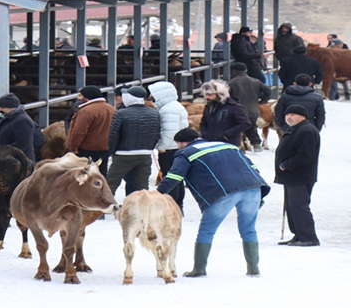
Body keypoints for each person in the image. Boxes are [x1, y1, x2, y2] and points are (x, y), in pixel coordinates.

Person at [157, 128, 270, 277]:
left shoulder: (185, 153)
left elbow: (174, 177)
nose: (178, 147)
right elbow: (253, 168)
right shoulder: (228, 146)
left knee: (207, 231)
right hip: (253, 188)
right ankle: (253, 269)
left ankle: (199, 269)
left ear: (184, 143)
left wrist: (157, 194)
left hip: (223, 193)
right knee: (248, 230)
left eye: (178, 144)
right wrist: (260, 196)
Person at [273, 104, 320, 247]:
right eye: (287, 115)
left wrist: (287, 164)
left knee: (299, 206)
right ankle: (298, 234)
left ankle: (308, 237)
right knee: (292, 207)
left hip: (299, 175)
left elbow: (305, 155)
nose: (289, 117)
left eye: (293, 114)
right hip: (291, 176)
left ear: (303, 116)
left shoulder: (306, 130)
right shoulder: (295, 129)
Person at [106, 87, 161, 195]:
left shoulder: (121, 113)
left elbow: (113, 135)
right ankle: (140, 209)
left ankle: (100, 209)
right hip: (144, 154)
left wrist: (112, 151)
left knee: (111, 183)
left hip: (123, 153)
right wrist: (149, 148)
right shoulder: (154, 113)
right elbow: (156, 133)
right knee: (141, 186)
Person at [149, 81, 190, 211]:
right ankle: (178, 205)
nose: (150, 96)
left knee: (170, 178)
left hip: (170, 149)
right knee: (177, 178)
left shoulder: (168, 109)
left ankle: (172, 206)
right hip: (175, 148)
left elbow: (170, 131)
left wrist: (161, 146)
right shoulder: (173, 106)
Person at [66, 86, 115, 176]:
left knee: (84, 176)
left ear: (88, 96)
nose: (78, 98)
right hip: (105, 150)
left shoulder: (86, 111)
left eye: (81, 96)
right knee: (100, 175)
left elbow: (79, 132)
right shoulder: (112, 109)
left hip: (86, 150)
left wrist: (73, 147)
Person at [0, 93, 40, 162]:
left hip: (17, 161)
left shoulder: (22, 121)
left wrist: (2, 152)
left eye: (2, 107)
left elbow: (23, 143)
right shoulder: (11, 118)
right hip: (11, 158)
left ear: (12, 108)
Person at [228, 62, 267, 152]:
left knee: (240, 127)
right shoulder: (255, 81)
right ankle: (255, 143)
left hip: (238, 110)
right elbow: (267, 91)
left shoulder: (231, 83)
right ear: (246, 70)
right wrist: (262, 101)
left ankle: (244, 144)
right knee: (251, 126)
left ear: (234, 71)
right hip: (254, 109)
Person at [198, 80, 251, 145]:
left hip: (228, 144)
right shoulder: (209, 107)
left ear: (219, 94)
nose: (207, 97)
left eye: (210, 94)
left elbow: (245, 123)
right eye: (206, 95)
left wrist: (227, 134)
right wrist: (205, 134)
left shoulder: (234, 107)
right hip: (210, 143)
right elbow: (203, 123)